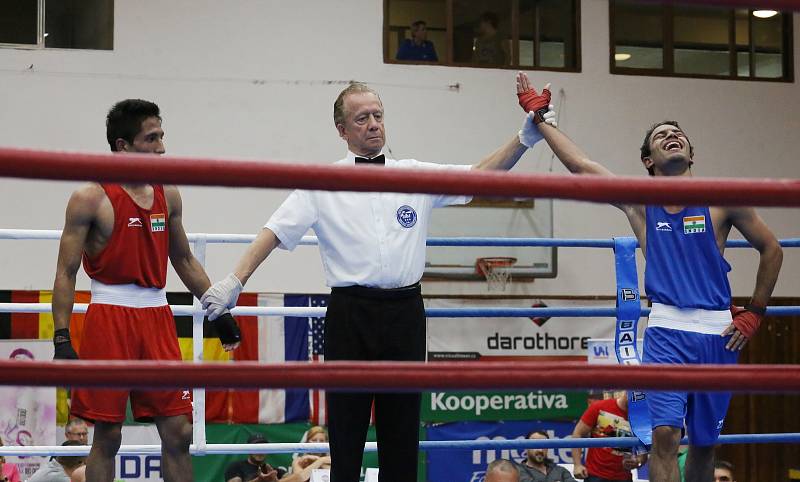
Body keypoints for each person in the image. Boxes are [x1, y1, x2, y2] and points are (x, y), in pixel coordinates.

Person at [202, 81, 543, 482]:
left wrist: (524, 138)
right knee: (346, 430)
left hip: (406, 313)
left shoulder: (414, 175)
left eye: (378, 115)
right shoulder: (320, 183)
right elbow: (273, 231)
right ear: (342, 130)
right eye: (361, 118)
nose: (373, 124)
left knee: (402, 429)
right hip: (351, 314)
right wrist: (234, 280)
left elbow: (479, 177)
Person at [515, 72, 783, 482]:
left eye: (678, 133)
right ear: (648, 160)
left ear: (691, 153)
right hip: (666, 331)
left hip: (718, 331)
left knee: (706, 445)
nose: (672, 135)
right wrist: (542, 119)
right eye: (661, 135)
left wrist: (756, 312)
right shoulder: (641, 203)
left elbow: (772, 249)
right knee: (664, 436)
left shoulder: (723, 199)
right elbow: (580, 165)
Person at [51, 99, 242, 482]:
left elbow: (184, 259)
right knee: (108, 433)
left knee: (178, 431)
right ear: (123, 146)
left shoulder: (167, 193)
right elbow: (66, 271)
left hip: (157, 316)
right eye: (151, 138)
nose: (162, 148)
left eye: (161, 136)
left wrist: (218, 312)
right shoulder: (90, 198)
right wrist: (61, 337)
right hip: (109, 315)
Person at [571, 391, 647, 481]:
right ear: (627, 392)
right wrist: (577, 464)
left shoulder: (641, 419)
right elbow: (577, 433)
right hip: (595, 475)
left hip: (623, 477)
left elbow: (643, 453)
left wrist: (637, 462)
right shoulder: (599, 407)